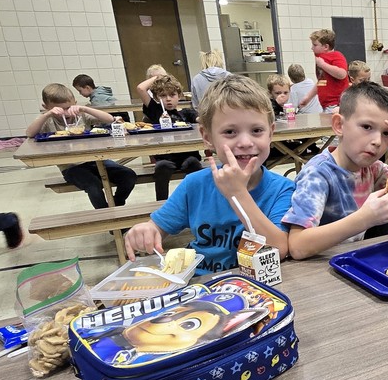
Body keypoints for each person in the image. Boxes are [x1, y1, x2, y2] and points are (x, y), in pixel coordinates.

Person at [124, 75, 295, 275]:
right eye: (230, 132)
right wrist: (146, 230)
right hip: (200, 284)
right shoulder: (194, 185)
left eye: (257, 130)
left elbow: (279, 249)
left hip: (254, 286)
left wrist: (238, 194)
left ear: (271, 133)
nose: (246, 142)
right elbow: (158, 227)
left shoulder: (283, 189)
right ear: (207, 137)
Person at [282, 82, 388, 259]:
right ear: (339, 125)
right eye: (367, 127)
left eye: (386, 133)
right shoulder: (318, 174)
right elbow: (297, 246)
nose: (377, 141)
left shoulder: (372, 168)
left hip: (353, 257)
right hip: (322, 266)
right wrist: (365, 218)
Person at [25, 83, 137, 209]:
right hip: (70, 167)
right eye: (59, 110)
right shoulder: (48, 120)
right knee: (94, 185)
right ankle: (106, 216)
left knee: (129, 175)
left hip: (96, 159)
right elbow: (29, 133)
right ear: (46, 107)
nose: (66, 113)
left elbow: (110, 119)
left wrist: (85, 109)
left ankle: (116, 206)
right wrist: (47, 114)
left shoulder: (81, 115)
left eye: (68, 107)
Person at [146, 75, 202, 201]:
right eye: (163, 96)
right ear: (156, 98)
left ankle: (198, 200)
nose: (168, 99)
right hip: (165, 156)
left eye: (172, 95)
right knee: (162, 168)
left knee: (194, 165)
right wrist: (158, 77)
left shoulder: (187, 113)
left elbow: (200, 119)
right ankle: (161, 203)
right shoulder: (156, 112)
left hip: (188, 155)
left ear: (179, 96)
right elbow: (140, 88)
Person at [298, 29, 348, 113]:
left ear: (325, 47)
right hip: (326, 105)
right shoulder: (321, 59)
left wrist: (323, 65)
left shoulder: (336, 55)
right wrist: (308, 97)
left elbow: (342, 74)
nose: (312, 48)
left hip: (336, 103)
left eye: (315, 45)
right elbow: (321, 82)